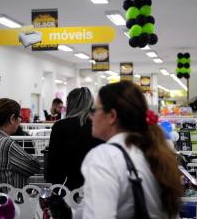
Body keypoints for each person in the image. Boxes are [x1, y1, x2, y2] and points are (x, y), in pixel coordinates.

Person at [76, 81, 182, 218]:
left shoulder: (104, 157)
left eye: (94, 110)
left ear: (112, 116)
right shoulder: (154, 150)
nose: (91, 117)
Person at [46, 87, 103, 190]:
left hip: (67, 186)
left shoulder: (60, 126)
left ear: (70, 103)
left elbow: (53, 161)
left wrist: (54, 184)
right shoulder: (99, 127)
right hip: (94, 184)